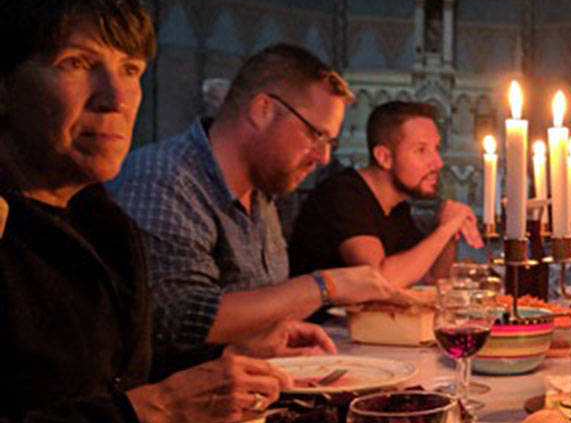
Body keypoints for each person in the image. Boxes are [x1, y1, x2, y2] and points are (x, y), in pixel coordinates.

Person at [0, 0, 297, 423]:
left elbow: (113, 375)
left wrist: (224, 361)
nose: (116, 99)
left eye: (131, 70)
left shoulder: (101, 219)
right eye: (76, 63)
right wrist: (147, 409)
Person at [111, 43, 393, 373]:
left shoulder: (261, 190)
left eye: (330, 144)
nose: (323, 157)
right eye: (316, 135)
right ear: (263, 110)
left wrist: (279, 337)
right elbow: (183, 317)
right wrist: (325, 286)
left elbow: (258, 317)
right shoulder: (164, 178)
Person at [289, 100, 483, 286]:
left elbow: (432, 279)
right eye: (421, 150)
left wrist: (449, 231)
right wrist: (446, 228)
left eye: (436, 149)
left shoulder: (398, 209)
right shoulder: (343, 194)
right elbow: (380, 280)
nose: (438, 163)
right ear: (384, 157)